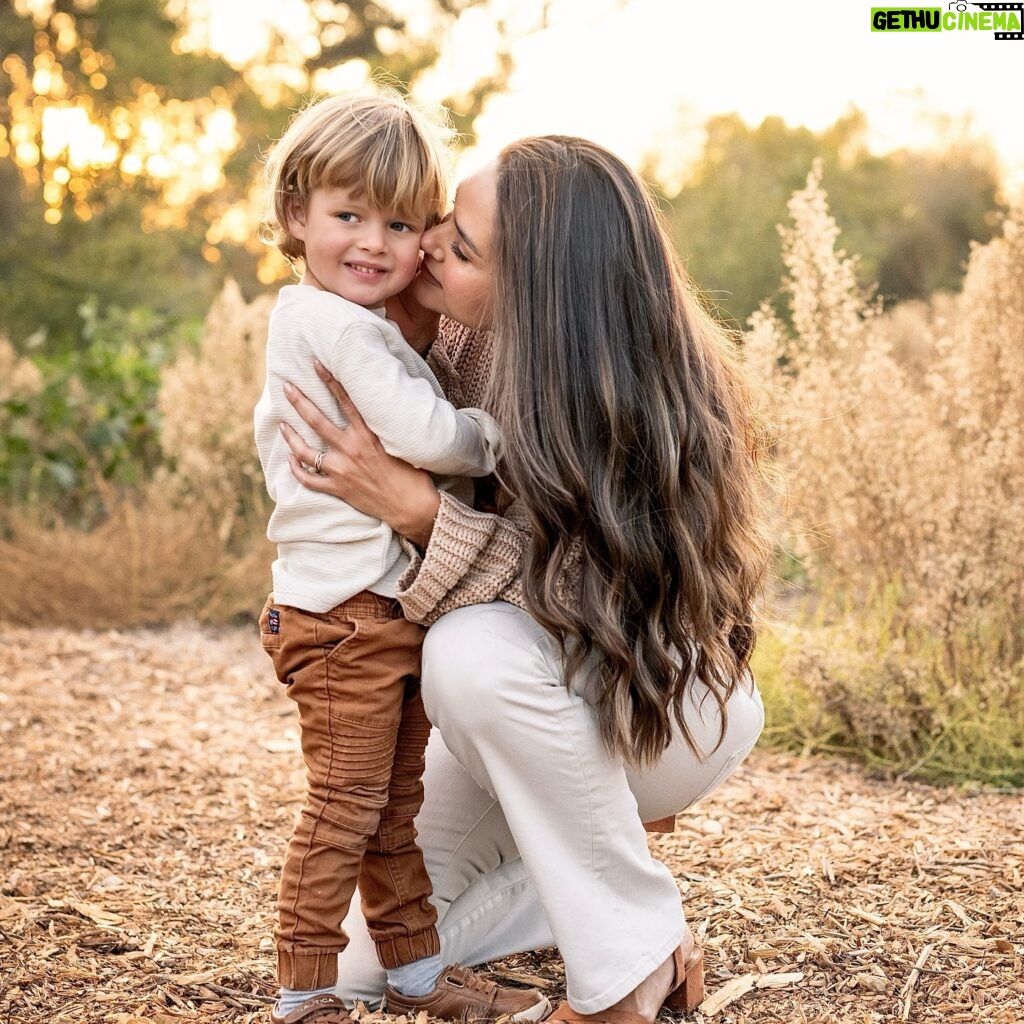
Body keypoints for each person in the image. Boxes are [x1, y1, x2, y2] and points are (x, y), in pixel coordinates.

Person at [277, 135, 772, 1024]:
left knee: (467, 655)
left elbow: (591, 599)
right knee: (361, 963)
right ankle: (620, 899)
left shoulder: (655, 395)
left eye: (458, 247)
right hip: (522, 705)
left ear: (538, 295)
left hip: (659, 705)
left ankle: (625, 977)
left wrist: (423, 514)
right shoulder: (441, 338)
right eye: (441, 221)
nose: (425, 243)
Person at [253, 90, 551, 1024]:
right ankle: (303, 993)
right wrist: (491, 437)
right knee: (347, 809)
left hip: (378, 612)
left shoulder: (357, 324)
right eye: (348, 216)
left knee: (392, 814)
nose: (376, 243)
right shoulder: (335, 324)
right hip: (344, 620)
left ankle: (420, 978)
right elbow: (423, 433)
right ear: (296, 214)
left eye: (402, 222)